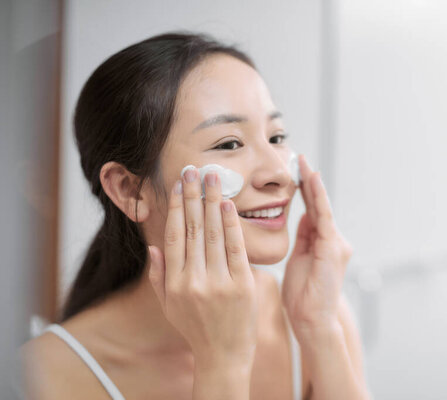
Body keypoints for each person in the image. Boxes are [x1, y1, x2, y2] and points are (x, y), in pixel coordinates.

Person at [20, 32, 370, 400]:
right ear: (128, 189)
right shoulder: (40, 378)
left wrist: (319, 329)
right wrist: (223, 365)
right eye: (229, 144)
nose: (280, 173)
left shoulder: (317, 314)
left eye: (277, 137)